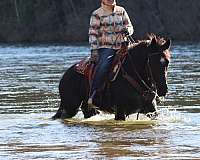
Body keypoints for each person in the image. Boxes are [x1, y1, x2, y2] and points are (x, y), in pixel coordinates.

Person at [88, 0, 134, 106]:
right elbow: (92, 34)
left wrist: (128, 30)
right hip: (106, 47)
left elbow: (130, 26)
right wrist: (94, 50)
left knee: (138, 59)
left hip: (123, 45)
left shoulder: (121, 10)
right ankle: (94, 94)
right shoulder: (97, 13)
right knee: (104, 65)